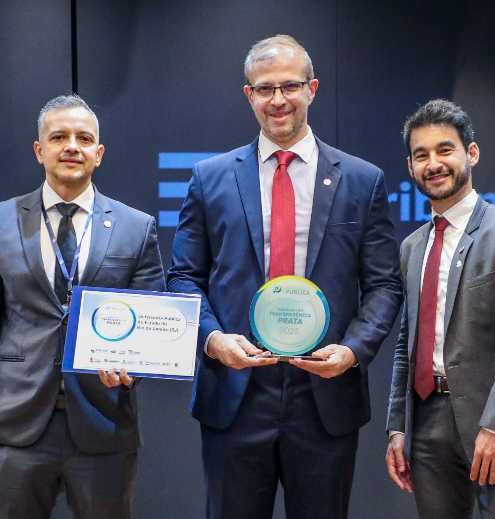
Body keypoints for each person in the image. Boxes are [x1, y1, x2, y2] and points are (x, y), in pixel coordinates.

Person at [168, 35, 402, 519]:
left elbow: (384, 284)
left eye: (290, 86)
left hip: (324, 396)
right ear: (248, 95)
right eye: (265, 88)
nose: (278, 100)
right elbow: (184, 277)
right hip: (235, 392)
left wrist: (353, 350)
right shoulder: (209, 178)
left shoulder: (363, 180)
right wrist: (213, 341)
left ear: (312, 89)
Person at [0, 94, 165, 519]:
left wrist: (133, 368)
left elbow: (151, 323)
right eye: (59, 137)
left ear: (99, 154)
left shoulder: (136, 227)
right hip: (17, 425)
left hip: (105, 423)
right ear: (39, 150)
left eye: (84, 138)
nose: (72, 146)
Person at [385, 99, 495, 518]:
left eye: (445, 150)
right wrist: (397, 426)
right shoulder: (412, 247)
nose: (433, 164)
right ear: (410, 167)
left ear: (472, 153)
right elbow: (407, 341)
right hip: (427, 422)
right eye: (421, 155)